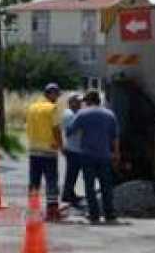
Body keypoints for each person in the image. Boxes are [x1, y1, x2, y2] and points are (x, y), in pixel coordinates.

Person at [66, 90, 120, 224]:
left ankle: (94, 214)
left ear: (88, 101)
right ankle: (110, 213)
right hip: (104, 155)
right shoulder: (110, 114)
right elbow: (115, 137)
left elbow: (70, 131)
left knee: (89, 186)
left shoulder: (82, 114)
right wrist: (117, 153)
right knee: (106, 185)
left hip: (88, 155)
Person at [26, 83, 64, 221]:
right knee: (51, 181)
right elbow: (56, 129)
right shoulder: (52, 108)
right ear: (50, 94)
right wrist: (61, 146)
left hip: (34, 150)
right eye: (56, 95)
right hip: (49, 150)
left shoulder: (32, 107)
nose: (57, 98)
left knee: (34, 181)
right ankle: (52, 211)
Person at [61, 93, 84, 208]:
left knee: (73, 173)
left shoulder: (74, 113)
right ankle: (67, 195)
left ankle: (70, 193)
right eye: (78, 101)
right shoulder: (70, 114)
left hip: (74, 147)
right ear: (71, 102)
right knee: (72, 173)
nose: (80, 103)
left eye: (80, 101)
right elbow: (70, 131)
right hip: (73, 148)